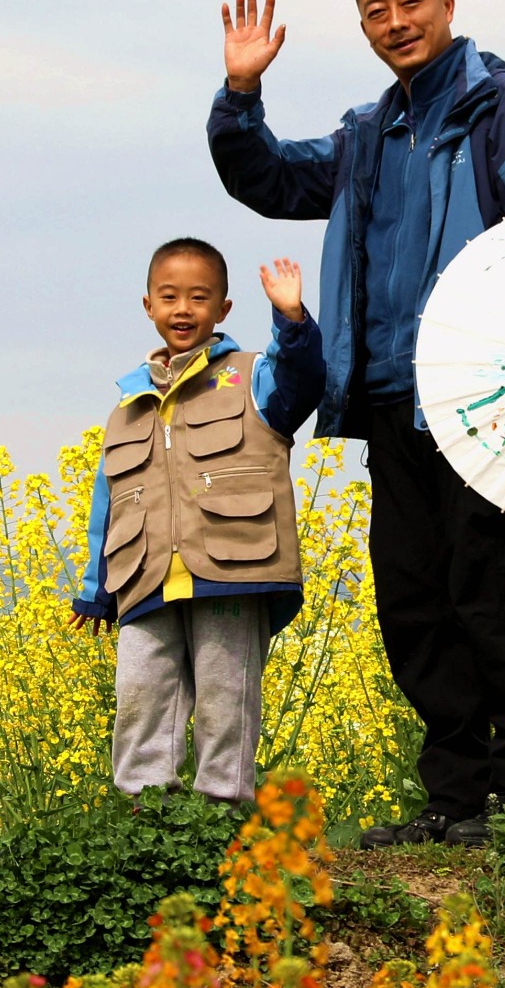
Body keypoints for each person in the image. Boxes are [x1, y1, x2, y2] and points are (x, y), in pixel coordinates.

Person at [208, 0, 505, 847]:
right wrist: (241, 96)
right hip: (389, 400)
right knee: (412, 599)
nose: (394, 23)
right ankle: (453, 797)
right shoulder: (366, 135)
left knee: (488, 591)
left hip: (485, 396)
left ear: (447, 3)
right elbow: (267, 178)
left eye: (408, 3)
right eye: (375, 11)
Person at [71, 241, 325, 808]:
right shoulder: (129, 404)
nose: (183, 309)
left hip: (235, 566)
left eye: (198, 297)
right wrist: (94, 591)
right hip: (145, 575)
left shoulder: (251, 376)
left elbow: (304, 382)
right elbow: (108, 503)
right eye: (170, 297)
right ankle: (146, 813)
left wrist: (291, 318)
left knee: (224, 696)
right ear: (148, 306)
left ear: (223, 309)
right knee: (140, 695)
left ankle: (222, 811)